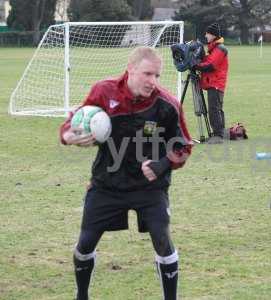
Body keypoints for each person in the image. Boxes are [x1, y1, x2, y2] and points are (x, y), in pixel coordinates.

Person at [60, 46, 193, 300]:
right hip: (107, 183)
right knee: (85, 243)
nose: (153, 81)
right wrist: (68, 136)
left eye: (157, 75)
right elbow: (73, 121)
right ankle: (82, 295)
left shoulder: (167, 105)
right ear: (130, 70)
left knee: (163, 240)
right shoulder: (104, 91)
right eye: (147, 74)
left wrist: (163, 164)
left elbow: (183, 145)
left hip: (150, 188)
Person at [195, 22, 229, 144]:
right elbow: (208, 61)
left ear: (213, 35)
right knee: (217, 109)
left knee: (214, 110)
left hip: (216, 84)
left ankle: (218, 136)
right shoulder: (215, 48)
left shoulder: (220, 49)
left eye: (207, 33)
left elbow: (211, 65)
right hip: (214, 84)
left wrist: (195, 65)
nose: (206, 35)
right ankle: (220, 133)